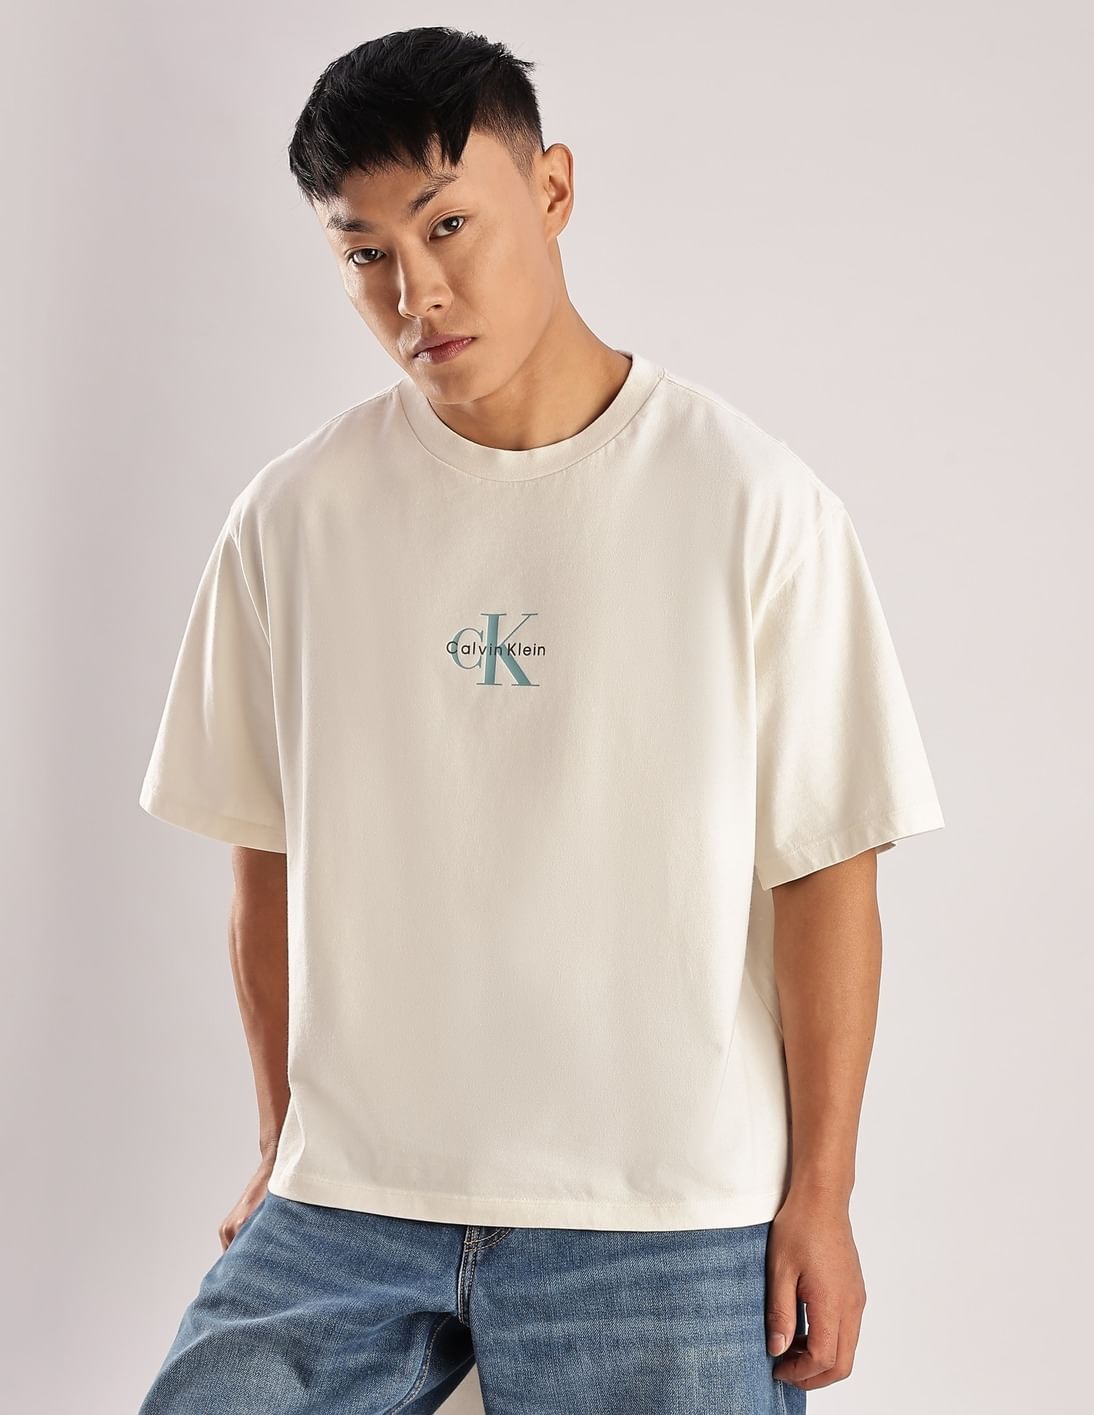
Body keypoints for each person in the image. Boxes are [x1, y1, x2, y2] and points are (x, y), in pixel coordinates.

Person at [134, 25, 944, 1415]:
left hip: (665, 1213)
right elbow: (264, 856)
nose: (416, 292)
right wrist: (282, 1142)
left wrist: (821, 1194)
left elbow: (825, 870)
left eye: (447, 224)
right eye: (365, 253)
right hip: (349, 1205)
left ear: (553, 188)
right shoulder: (294, 518)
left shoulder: (751, 504)